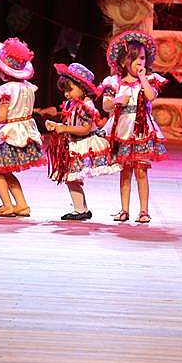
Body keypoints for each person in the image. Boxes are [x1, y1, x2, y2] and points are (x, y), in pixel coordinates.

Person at [100, 31, 167, 224]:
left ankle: (144, 211)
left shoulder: (149, 79)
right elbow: (105, 106)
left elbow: (151, 96)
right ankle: (124, 210)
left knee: (141, 171)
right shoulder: (114, 82)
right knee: (125, 171)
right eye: (135, 58)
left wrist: (143, 78)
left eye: (143, 58)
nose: (139, 62)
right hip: (122, 130)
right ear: (123, 62)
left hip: (141, 130)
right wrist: (116, 100)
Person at [0, 38, 44, 217]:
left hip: (9, 135)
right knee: (6, 171)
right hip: (23, 132)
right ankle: (21, 205)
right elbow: (15, 112)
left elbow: (3, 116)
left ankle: (7, 205)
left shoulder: (4, 89)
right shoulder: (28, 88)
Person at [43, 62, 117, 220]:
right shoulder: (73, 103)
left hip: (82, 144)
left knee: (71, 177)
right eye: (64, 91)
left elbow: (85, 129)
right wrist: (57, 125)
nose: (66, 95)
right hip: (74, 143)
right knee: (72, 178)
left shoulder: (86, 106)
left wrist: (64, 128)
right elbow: (72, 123)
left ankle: (80, 210)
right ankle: (82, 209)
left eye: (69, 90)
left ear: (82, 87)